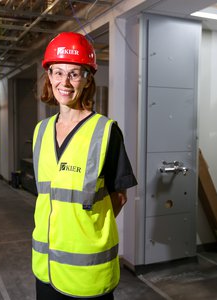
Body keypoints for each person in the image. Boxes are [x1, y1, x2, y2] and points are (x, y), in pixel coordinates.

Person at [31, 31, 137, 300]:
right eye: (57, 72)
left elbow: (119, 197)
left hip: (88, 274)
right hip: (46, 269)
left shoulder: (106, 132)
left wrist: (87, 230)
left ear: (87, 79)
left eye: (74, 73)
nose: (64, 82)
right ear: (49, 76)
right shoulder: (40, 132)